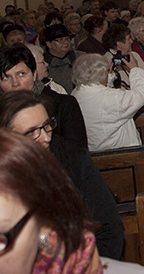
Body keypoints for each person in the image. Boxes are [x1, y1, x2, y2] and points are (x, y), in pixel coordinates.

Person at [0, 91, 124, 260]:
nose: (45, 138)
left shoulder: (73, 159)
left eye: (46, 126)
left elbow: (109, 227)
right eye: (31, 132)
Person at [0, 44, 88, 149]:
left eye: (21, 74)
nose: (15, 83)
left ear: (34, 74)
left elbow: (78, 154)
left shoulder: (63, 105)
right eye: (6, 77)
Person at [72, 53, 144, 152]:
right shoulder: (112, 98)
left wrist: (107, 74)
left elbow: (98, 90)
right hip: (121, 153)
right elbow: (142, 94)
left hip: (94, 152)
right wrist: (135, 69)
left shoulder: (76, 94)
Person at [102, 23, 144, 97]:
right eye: (128, 39)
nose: (131, 41)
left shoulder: (134, 55)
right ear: (119, 43)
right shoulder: (106, 61)